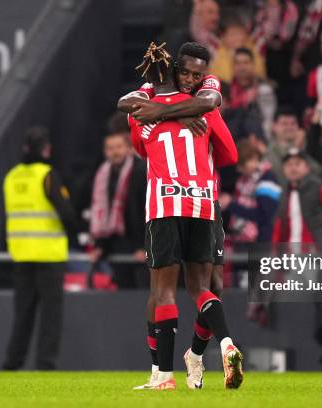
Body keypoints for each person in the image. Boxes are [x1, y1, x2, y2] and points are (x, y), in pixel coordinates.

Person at [128, 43, 242, 390]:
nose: (193, 79)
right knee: (202, 287)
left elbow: (136, 132)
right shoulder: (200, 110)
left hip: (169, 204)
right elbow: (229, 153)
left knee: (168, 290)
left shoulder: (147, 109)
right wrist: (182, 114)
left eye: (197, 73)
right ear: (175, 69)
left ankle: (177, 366)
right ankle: (220, 346)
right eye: (186, 73)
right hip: (203, 203)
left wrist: (165, 112)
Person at [2, 127, 81, 371]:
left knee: (22, 315)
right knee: (50, 316)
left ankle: (12, 364)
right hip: (49, 254)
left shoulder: (12, 176)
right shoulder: (46, 175)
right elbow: (66, 212)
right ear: (44, 148)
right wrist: (76, 236)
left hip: (21, 254)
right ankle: (45, 365)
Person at [89, 131, 147, 289]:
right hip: (117, 244)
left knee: (144, 293)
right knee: (122, 293)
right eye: (110, 148)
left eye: (119, 147)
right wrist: (100, 246)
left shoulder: (141, 170)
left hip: (141, 247)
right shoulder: (103, 174)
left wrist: (144, 246)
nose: (115, 152)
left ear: (129, 148)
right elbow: (102, 212)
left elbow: (149, 210)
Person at [273, 149, 322, 247]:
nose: (293, 168)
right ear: (283, 169)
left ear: (307, 167)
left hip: (317, 253)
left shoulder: (320, 188)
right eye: (289, 164)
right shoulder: (283, 193)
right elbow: (279, 226)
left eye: (297, 164)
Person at [228, 47, 277, 140]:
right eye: (238, 63)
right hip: (232, 138)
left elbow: (268, 120)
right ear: (233, 66)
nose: (242, 67)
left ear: (253, 65)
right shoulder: (226, 89)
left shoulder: (263, 89)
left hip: (258, 138)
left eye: (246, 63)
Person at [265, 108, 307, 186]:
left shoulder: (308, 146)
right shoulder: (269, 150)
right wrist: (295, 147)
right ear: (274, 126)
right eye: (284, 124)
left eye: (293, 123)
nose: (289, 127)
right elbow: (280, 176)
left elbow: (317, 172)